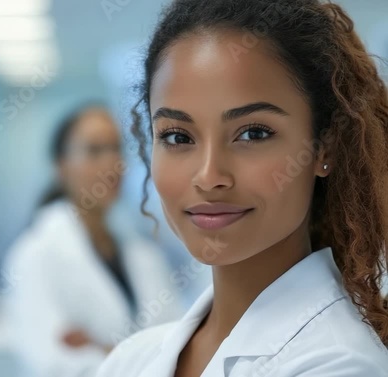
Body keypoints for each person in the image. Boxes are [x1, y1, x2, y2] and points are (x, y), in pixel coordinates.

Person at [96, 0, 388, 376]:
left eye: (253, 133)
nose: (208, 175)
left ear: (323, 147)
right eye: (177, 136)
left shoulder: (341, 364)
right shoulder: (130, 361)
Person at [2, 104, 183, 377]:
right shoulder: (36, 254)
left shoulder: (141, 252)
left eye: (116, 149)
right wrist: (145, 357)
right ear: (61, 167)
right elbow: (55, 364)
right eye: (95, 151)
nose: (113, 163)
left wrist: (103, 349)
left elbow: (179, 343)